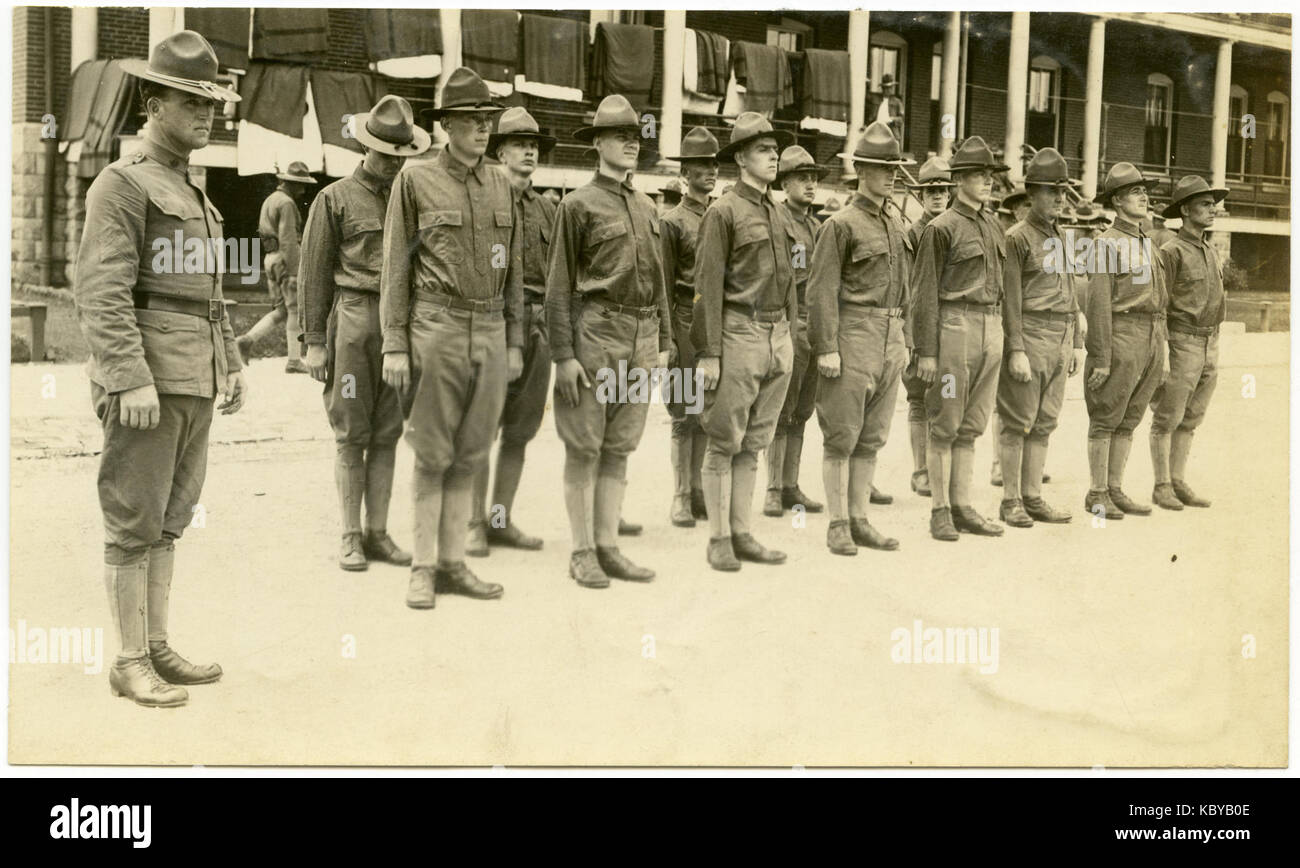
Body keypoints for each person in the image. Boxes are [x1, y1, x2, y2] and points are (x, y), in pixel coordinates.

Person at [75, 31, 246, 706]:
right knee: (132, 518)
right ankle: (126, 659)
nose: (207, 115)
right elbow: (102, 290)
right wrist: (128, 376)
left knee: (171, 517)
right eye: (190, 101)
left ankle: (156, 644)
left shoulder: (194, 193)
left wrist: (229, 363)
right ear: (153, 103)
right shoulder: (122, 184)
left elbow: (210, 296)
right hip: (150, 380)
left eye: (212, 104)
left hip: (195, 377)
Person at [380, 67, 524, 609]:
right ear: (446, 126)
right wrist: (394, 342)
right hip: (435, 326)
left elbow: (512, 269)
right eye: (470, 120)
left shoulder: (502, 183)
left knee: (470, 452)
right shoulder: (415, 180)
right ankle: (422, 567)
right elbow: (395, 267)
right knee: (432, 452)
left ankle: (454, 564)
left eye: (486, 120)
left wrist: (512, 342)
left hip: (488, 326)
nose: (482, 130)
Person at [298, 95, 427, 572]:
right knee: (352, 433)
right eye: (386, 154)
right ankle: (350, 535)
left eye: (401, 155)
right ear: (366, 148)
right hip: (353, 319)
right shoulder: (334, 199)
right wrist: (313, 341)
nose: (394, 163)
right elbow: (312, 274)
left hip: (400, 326)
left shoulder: (412, 201)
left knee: (389, 432)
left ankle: (378, 534)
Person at [546, 95, 670, 588]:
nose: (631, 144)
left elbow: (658, 279)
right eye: (620, 136)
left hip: (640, 338)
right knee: (584, 446)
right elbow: (557, 287)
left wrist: (661, 343)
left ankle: (609, 547)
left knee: (619, 447)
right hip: (596, 333)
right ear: (597, 144)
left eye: (636, 136)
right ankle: (581, 552)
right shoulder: (577, 205)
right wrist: (563, 355)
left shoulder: (646, 206)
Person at [692, 112, 797, 571]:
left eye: (774, 150)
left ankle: (742, 532)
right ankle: (718, 538)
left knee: (754, 442)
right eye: (762, 150)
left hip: (777, 334)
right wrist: (709, 353)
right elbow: (706, 287)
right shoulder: (723, 211)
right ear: (740, 159)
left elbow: (790, 277)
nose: (773, 157)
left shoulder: (776, 210)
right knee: (723, 440)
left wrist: (789, 332)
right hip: (739, 331)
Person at [807, 121, 913, 555]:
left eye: (894, 167)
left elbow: (904, 287)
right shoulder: (841, 224)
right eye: (882, 167)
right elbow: (820, 291)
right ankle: (837, 523)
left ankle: (860, 518)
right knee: (842, 433)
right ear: (861, 170)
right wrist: (827, 347)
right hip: (852, 333)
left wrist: (903, 339)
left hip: (889, 336)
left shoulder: (894, 223)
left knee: (872, 436)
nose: (891, 174)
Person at [464, 108, 558, 556]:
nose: (529, 151)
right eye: (520, 143)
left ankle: (500, 519)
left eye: (535, 145)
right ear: (498, 151)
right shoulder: (483, 203)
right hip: (492, 322)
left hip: (537, 327)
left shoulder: (548, 209)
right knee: (481, 428)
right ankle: (473, 524)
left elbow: (560, 277)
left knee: (520, 431)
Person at [911, 136, 1008, 541]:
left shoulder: (992, 224)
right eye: (978, 175)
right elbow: (923, 295)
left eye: (989, 175)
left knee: (971, 425)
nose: (987, 182)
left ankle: (963, 505)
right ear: (958, 181)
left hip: (989, 328)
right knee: (945, 422)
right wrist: (927, 353)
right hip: (954, 330)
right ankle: (940, 509)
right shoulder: (941, 228)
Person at [995, 148, 1083, 528]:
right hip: (1030, 334)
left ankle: (1033, 496)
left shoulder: (1062, 236)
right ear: (1031, 194)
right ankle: (1011, 500)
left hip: (1060, 335)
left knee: (1046, 421)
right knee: (1018, 420)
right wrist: (1015, 349)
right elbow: (1009, 301)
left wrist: (1077, 342)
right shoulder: (1016, 238)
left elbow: (1071, 292)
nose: (1060, 199)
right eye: (1051, 191)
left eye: (1063, 192)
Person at [1082, 162, 1169, 520]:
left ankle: (1115, 488)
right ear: (1117, 201)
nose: (1144, 196)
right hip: (1122, 333)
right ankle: (1097, 492)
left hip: (1150, 335)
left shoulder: (1146, 241)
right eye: (1135, 192)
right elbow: (1098, 304)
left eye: (1144, 191)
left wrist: (1160, 351)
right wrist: (1101, 357)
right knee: (1106, 415)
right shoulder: (1106, 244)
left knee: (1130, 417)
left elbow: (1161, 297)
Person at [1149, 175, 1229, 510]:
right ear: (1186, 209)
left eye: (1213, 205)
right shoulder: (1171, 251)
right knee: (1167, 417)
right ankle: (1162, 485)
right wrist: (1164, 352)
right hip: (1182, 342)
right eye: (1205, 205)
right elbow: (1159, 305)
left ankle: (1179, 481)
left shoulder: (1208, 249)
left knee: (1192, 417)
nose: (1213, 210)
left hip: (1209, 342)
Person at [660, 126, 719, 528]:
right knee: (684, 413)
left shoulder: (721, 215)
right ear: (686, 173)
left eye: (714, 164)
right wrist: (667, 340)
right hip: (682, 318)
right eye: (701, 166)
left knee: (707, 412)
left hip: (711, 322)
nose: (710, 172)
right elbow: (663, 284)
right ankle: (681, 495)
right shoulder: (673, 222)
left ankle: (699, 492)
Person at [763, 145, 826, 518]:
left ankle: (791, 484)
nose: (810, 184)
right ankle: (772, 487)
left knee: (802, 410)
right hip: (789, 320)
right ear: (784, 182)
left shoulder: (818, 226)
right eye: (802, 177)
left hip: (814, 325)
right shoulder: (777, 220)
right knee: (780, 410)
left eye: (814, 178)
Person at [901, 155, 955, 497]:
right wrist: (911, 339)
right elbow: (909, 288)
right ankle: (921, 469)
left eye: (943, 190)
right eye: (930, 191)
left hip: (952, 327)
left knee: (948, 398)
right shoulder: (914, 233)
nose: (937, 196)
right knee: (919, 399)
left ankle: (942, 467)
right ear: (920, 196)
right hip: (922, 327)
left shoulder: (955, 227)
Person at [237, 161, 316, 374]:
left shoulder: (272, 199)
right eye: (299, 183)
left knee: (282, 310)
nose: (303, 188)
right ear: (287, 183)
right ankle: (293, 360)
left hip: (270, 257)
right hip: (284, 259)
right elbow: (288, 239)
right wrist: (293, 272)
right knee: (295, 309)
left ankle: (247, 340)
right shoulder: (287, 204)